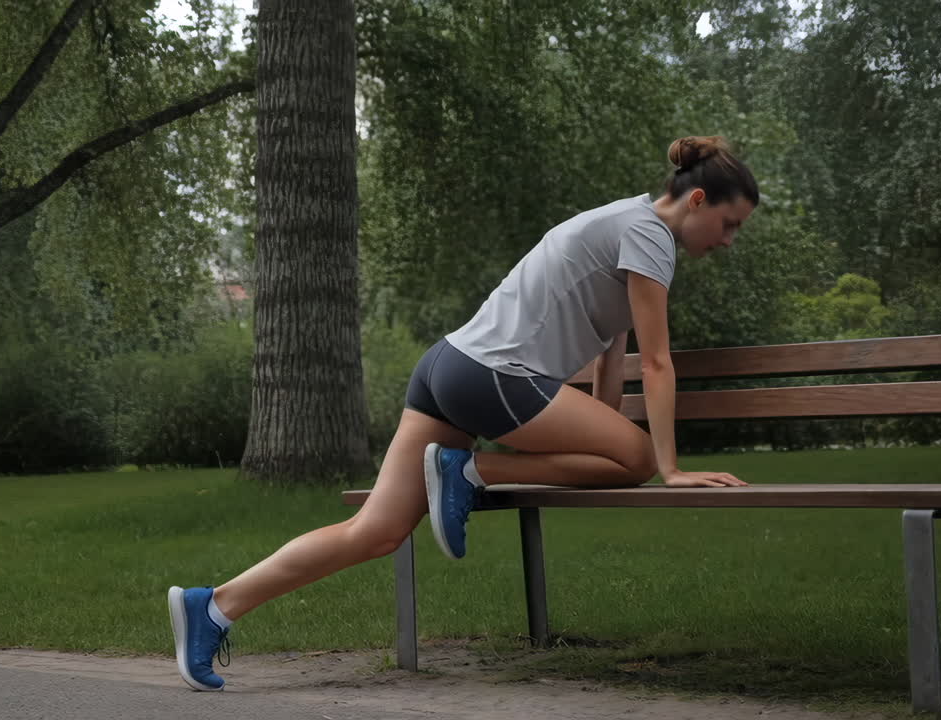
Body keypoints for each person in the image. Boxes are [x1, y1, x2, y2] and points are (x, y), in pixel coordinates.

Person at [167, 135, 758, 691]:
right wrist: (670, 467)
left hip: (448, 367)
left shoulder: (620, 221)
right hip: (493, 376)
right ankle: (469, 472)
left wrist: (595, 437)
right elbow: (656, 363)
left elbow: (614, 351)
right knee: (637, 457)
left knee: (374, 532)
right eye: (729, 224)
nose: (729, 241)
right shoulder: (650, 234)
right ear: (698, 199)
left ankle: (214, 605)